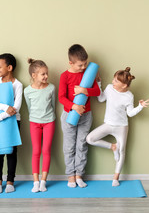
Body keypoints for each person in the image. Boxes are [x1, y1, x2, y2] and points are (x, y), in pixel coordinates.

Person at [86, 67, 149, 186]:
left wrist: (140, 106)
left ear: (124, 85)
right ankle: (112, 147)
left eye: (116, 81)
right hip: (108, 124)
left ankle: (115, 178)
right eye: (114, 79)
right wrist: (99, 83)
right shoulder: (110, 88)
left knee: (122, 151)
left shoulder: (129, 96)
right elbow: (101, 99)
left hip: (122, 127)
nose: (112, 82)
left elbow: (130, 113)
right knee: (89, 139)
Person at [58, 44, 100, 188]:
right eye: (80, 65)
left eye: (85, 64)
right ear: (71, 63)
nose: (83, 67)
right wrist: (74, 106)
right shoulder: (65, 76)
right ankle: (70, 175)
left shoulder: (88, 74)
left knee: (82, 145)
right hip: (70, 114)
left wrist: (85, 90)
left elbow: (97, 92)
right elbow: (61, 98)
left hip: (86, 115)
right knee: (69, 147)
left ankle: (79, 175)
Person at [0, 53, 23, 193]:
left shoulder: (18, 85)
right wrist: (4, 108)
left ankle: (10, 181)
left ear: (9, 67)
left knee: (12, 151)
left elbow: (16, 108)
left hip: (12, 121)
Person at [24, 58, 56, 193]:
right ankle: (35, 181)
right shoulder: (27, 91)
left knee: (46, 150)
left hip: (49, 122)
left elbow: (53, 105)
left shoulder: (51, 88)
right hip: (34, 122)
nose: (46, 76)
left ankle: (43, 181)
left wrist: (48, 118)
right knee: (36, 151)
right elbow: (29, 107)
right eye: (43, 74)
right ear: (34, 75)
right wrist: (36, 118)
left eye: (46, 73)